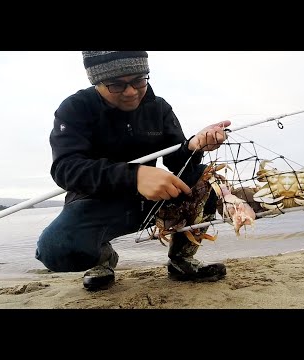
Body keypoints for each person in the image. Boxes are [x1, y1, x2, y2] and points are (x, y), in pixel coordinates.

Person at [35, 51, 231, 291]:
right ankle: (102, 259)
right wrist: (134, 175)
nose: (130, 92)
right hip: (96, 204)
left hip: (151, 203)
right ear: (96, 82)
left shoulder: (158, 108)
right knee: (54, 249)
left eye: (139, 80)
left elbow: (179, 164)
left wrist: (193, 146)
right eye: (116, 85)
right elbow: (66, 169)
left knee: (203, 182)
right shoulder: (75, 109)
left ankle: (182, 260)